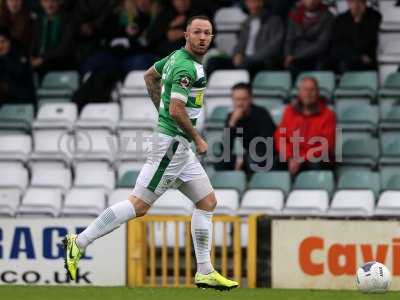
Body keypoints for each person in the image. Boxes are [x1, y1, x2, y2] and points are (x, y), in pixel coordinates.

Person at [63, 15, 239, 291]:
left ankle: (205, 271)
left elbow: (149, 76)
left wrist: (162, 108)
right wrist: (198, 138)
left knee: (207, 202)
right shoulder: (186, 66)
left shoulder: (174, 57)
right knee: (139, 205)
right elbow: (177, 109)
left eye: (208, 33)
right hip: (172, 146)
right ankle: (80, 241)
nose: (203, 37)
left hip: (179, 148)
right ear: (186, 35)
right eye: (197, 32)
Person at [274, 77, 336, 176]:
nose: (308, 93)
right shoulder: (289, 111)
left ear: (318, 92)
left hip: (315, 158)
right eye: (305, 90)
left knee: (315, 163)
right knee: (275, 162)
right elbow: (280, 137)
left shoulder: (328, 115)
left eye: (312, 90)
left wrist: (302, 158)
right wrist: (289, 156)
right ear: (299, 92)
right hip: (292, 156)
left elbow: (326, 145)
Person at [206, 0, 284, 77]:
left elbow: (274, 47)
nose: (252, 5)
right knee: (213, 62)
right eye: (249, 2)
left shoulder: (274, 21)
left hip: (261, 61)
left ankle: (241, 88)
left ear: (261, 2)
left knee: (247, 64)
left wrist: (250, 58)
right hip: (244, 60)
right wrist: (237, 54)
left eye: (254, 2)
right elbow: (240, 43)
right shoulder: (247, 22)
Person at [217, 82, 276, 175]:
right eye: (237, 99)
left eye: (244, 99)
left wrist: (242, 159)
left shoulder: (261, 114)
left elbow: (264, 143)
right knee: (222, 159)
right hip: (248, 154)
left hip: (267, 154)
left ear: (250, 99)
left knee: (254, 158)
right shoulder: (232, 117)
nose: (240, 103)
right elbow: (225, 148)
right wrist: (232, 123)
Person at [284, 0, 334, 78]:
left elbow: (322, 44)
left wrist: (295, 56)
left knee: (322, 64)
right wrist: (288, 54)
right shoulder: (294, 14)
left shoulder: (328, 16)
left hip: (317, 56)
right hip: (296, 56)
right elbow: (289, 38)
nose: (311, 1)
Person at [330, 0, 382, 74]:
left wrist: (357, 22)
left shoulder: (374, 16)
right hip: (349, 59)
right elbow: (337, 47)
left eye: (359, 2)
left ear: (365, 3)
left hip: (368, 60)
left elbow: (364, 43)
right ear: (348, 3)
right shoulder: (340, 19)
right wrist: (358, 56)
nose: (356, 6)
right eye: (352, 2)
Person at [30, 0, 75, 77]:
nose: (49, 5)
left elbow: (64, 48)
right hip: (38, 63)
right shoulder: (39, 19)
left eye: (53, 1)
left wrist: (42, 59)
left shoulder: (68, 20)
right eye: (45, 1)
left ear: (59, 2)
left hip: (60, 63)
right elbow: (33, 42)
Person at [0, 28, 35, 102]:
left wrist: (5, 57)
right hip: (5, 98)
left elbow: (19, 73)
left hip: (23, 98)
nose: (0, 46)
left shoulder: (20, 53)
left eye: (3, 42)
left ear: (9, 41)